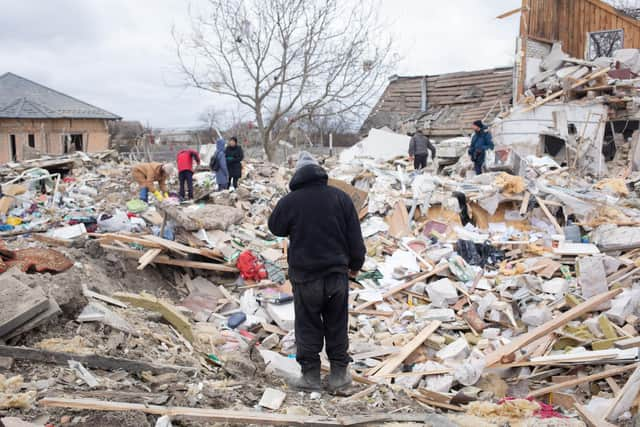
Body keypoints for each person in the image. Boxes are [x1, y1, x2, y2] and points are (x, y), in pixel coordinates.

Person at [268, 151, 366, 394]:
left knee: (308, 324)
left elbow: (275, 227)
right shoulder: (340, 198)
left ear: (297, 176)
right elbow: (355, 237)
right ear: (320, 173)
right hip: (336, 275)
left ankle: (311, 377)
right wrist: (356, 265)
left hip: (306, 277)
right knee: (337, 323)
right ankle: (339, 378)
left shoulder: (291, 200)